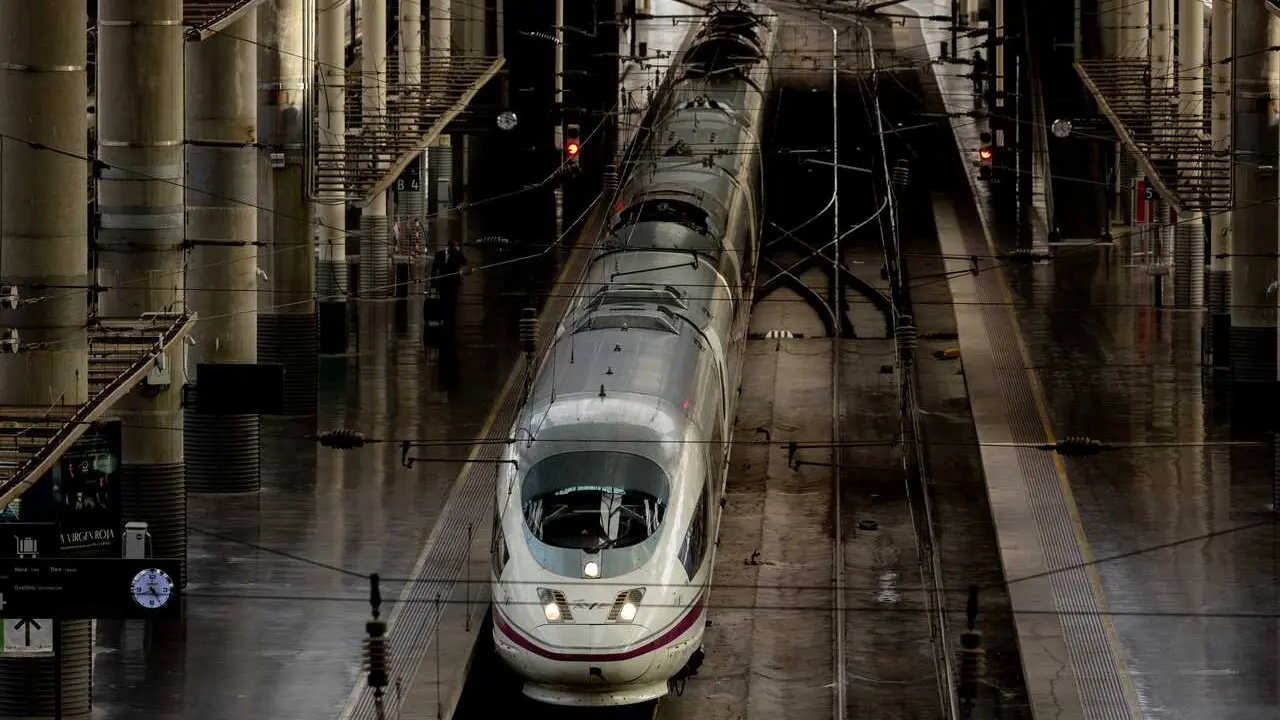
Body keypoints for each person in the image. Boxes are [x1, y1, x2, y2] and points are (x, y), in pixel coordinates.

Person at [428, 238, 467, 326]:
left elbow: (464, 262)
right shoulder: (439, 255)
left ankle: (451, 319)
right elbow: (434, 269)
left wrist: (458, 253)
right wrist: (433, 281)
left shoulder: (457, 255)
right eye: (454, 247)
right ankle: (444, 318)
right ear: (449, 247)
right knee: (443, 300)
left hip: (453, 282)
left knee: (452, 301)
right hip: (442, 282)